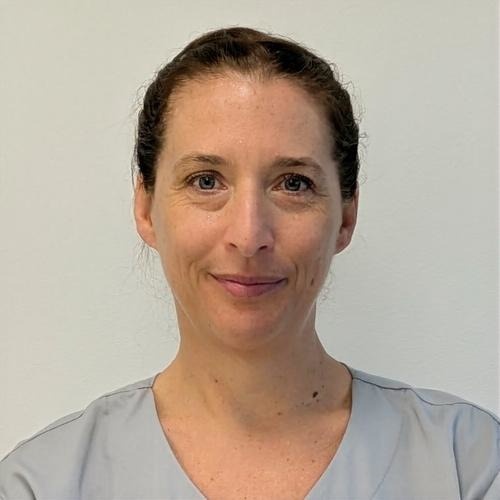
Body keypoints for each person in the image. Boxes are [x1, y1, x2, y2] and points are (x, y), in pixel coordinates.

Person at [0, 26, 498, 500]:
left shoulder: (466, 464)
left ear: (346, 217)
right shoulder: (42, 484)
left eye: (293, 184)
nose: (248, 235)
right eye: (206, 181)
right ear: (146, 209)